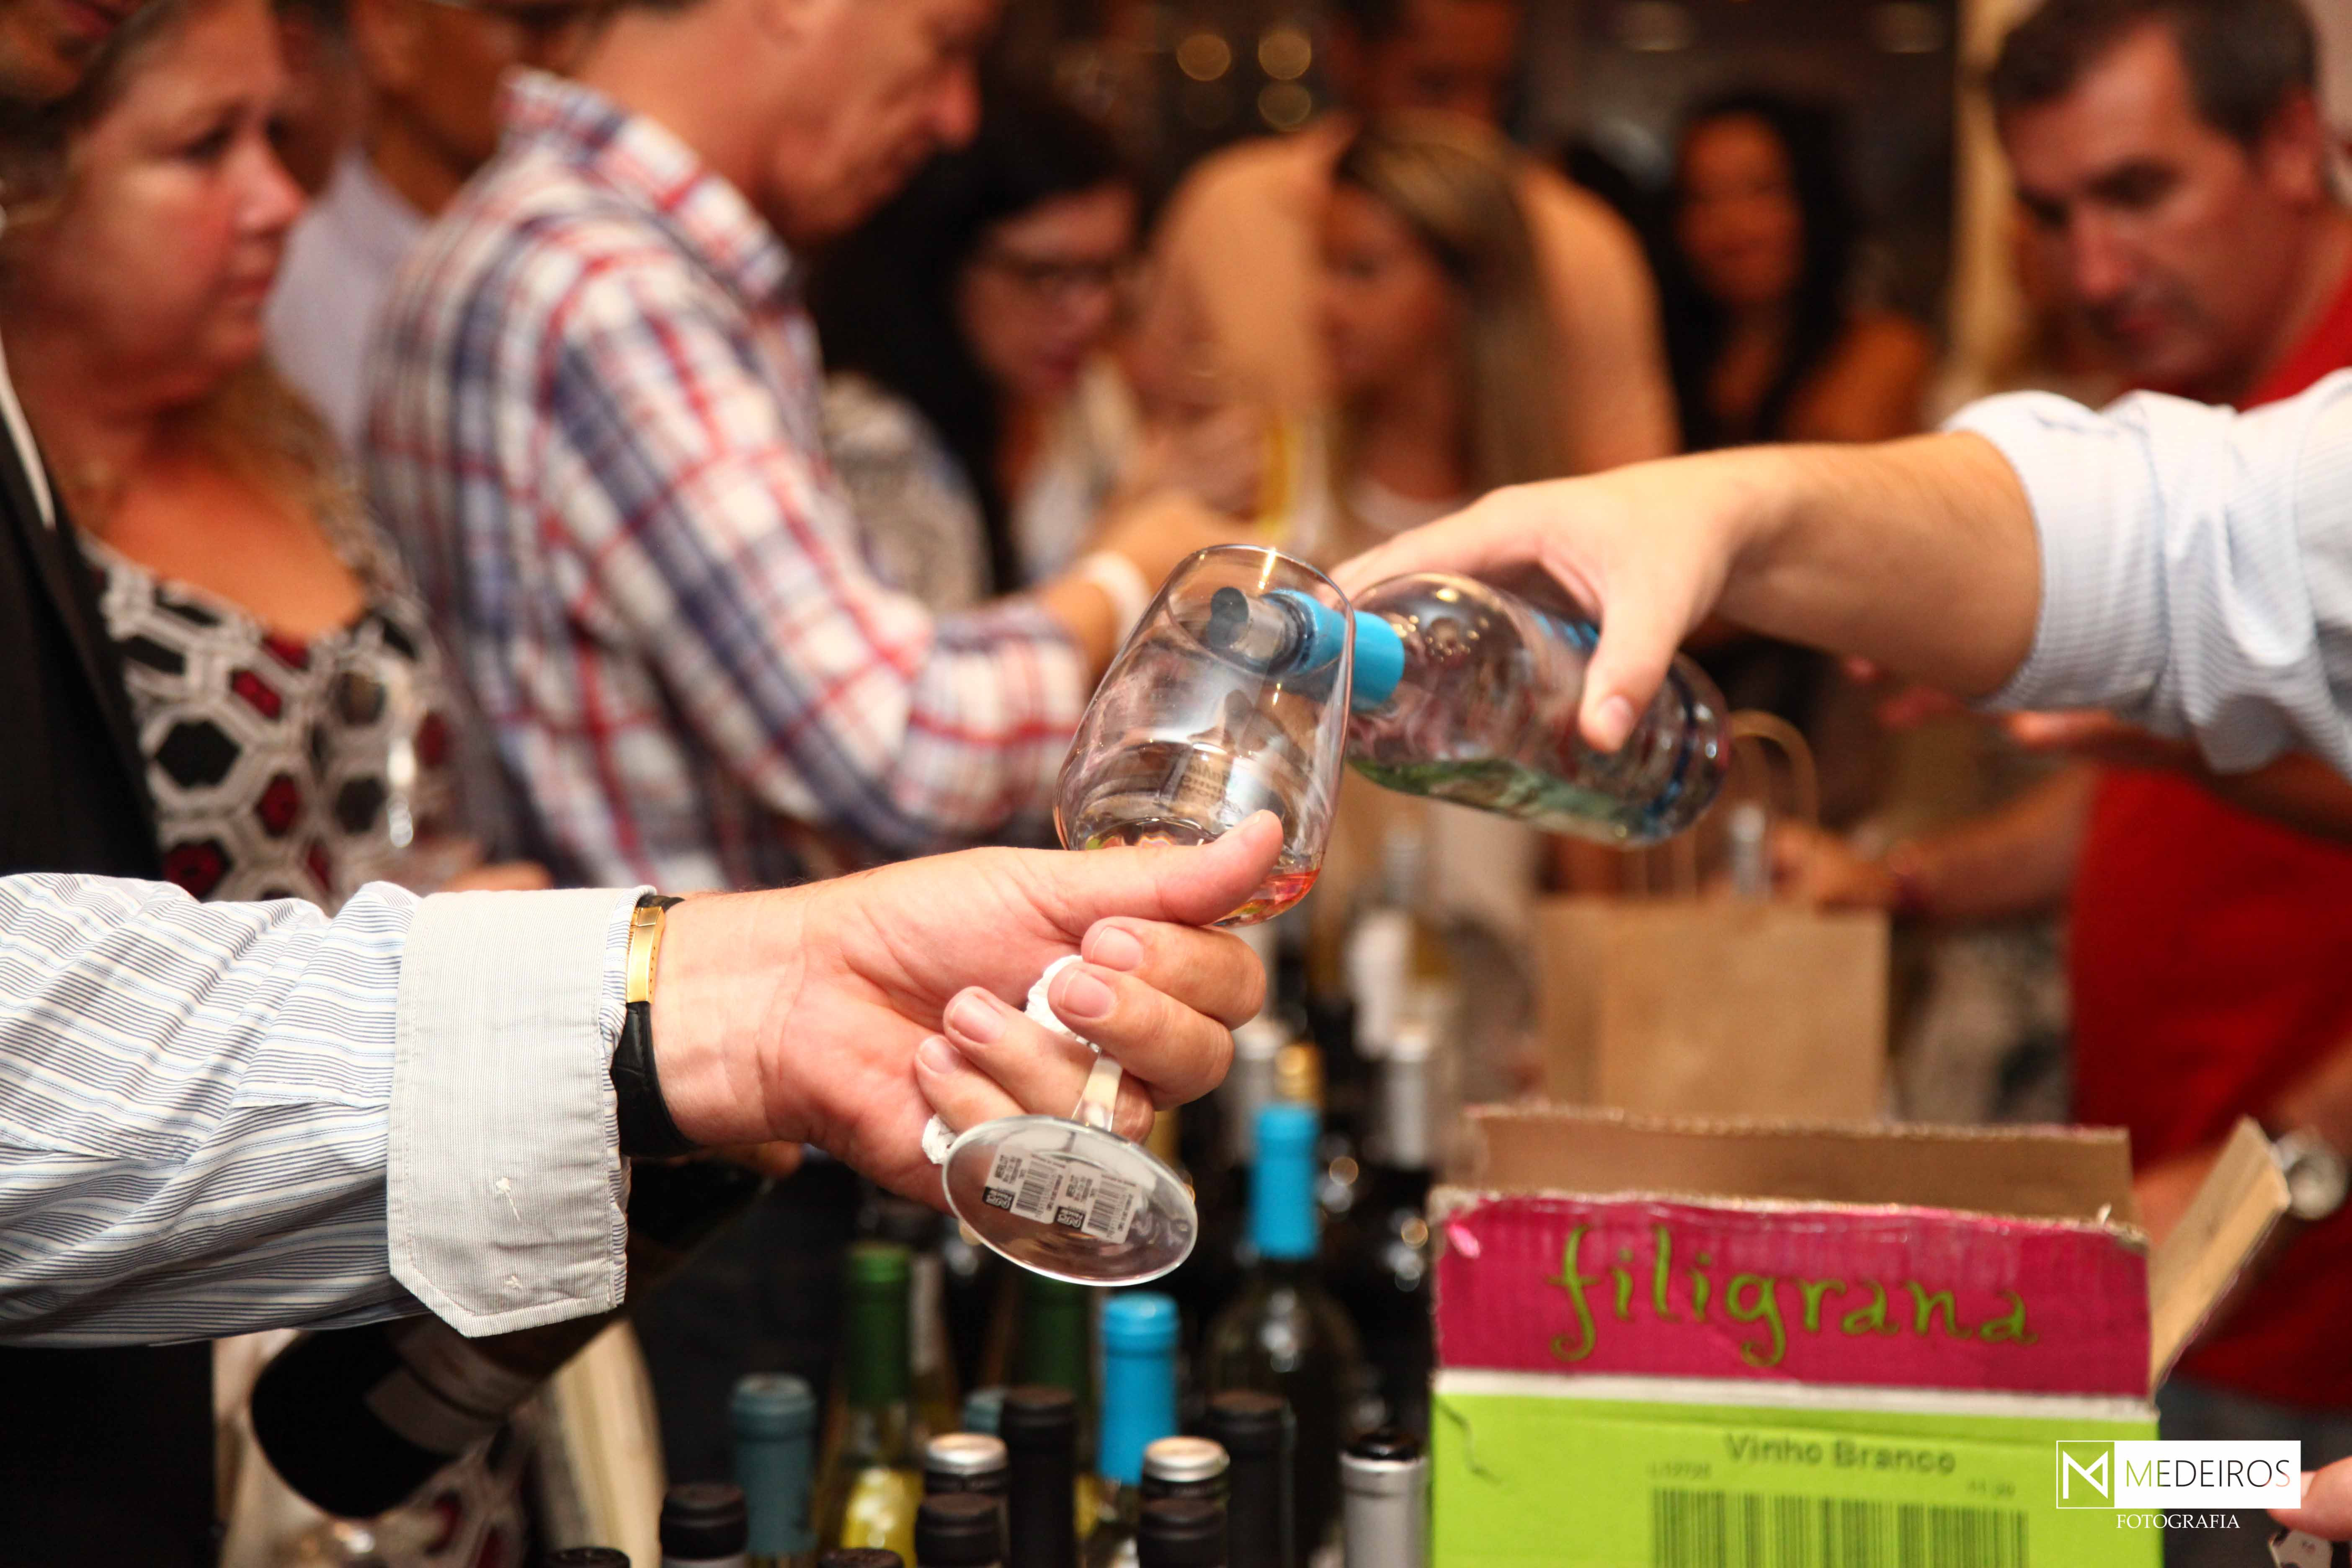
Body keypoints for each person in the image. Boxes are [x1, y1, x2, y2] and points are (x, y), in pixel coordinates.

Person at [1791, 11, 2352, 1549]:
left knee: (2233, 1525)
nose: (2094, 271)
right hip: (2175, 1284)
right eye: (2050, 215)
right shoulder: (2194, 419)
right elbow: (2147, 808)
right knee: (2126, 1518)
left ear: (2291, 144)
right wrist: (1903, 883)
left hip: (2307, 1328)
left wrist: (2276, 1168)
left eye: (2139, 192)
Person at [366, 0, 1248, 895]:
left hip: (626, 958)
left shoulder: (510, 236)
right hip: (681, 974)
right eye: (942, 45)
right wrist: (1128, 575)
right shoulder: (611, 290)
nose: (956, 117)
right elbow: (903, 754)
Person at [1137, 0, 1676, 478]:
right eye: (1434, 83)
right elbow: (1150, 426)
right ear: (1349, 56)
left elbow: (1633, 486)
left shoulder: (1580, 238)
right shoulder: (1227, 206)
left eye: (1496, 88)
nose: (1470, 120)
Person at [810, 81, 1258, 608]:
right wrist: (1128, 537)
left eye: (1106, 273)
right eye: (1046, 275)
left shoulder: (1088, 398)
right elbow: (937, 654)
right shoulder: (870, 439)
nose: (1090, 312)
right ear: (945, 263)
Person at [265, 0, 592, 451]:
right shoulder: (280, 291)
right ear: (390, 28)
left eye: (591, 22)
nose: (567, 56)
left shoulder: (584, 266)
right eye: (534, 20)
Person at [1663, 90, 1934, 451]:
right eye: (1703, 198)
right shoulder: (1662, 357)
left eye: (1761, 191)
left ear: (1812, 201)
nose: (1733, 226)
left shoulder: (1881, 353)